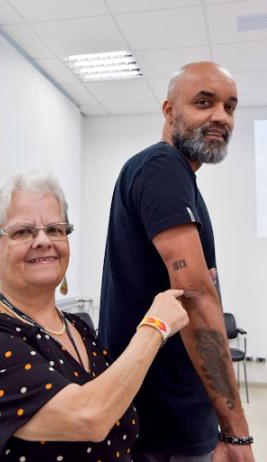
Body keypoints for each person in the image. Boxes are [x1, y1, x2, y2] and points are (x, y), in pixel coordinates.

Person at [0, 171, 188, 462]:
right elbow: (89, 417)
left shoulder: (78, 328)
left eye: (55, 229)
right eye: (22, 232)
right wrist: (155, 326)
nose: (43, 240)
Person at [99, 61, 255, 462]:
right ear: (169, 111)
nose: (221, 116)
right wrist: (237, 435)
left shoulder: (174, 177)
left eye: (230, 107)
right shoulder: (161, 167)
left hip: (171, 420)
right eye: (204, 102)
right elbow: (196, 297)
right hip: (164, 427)